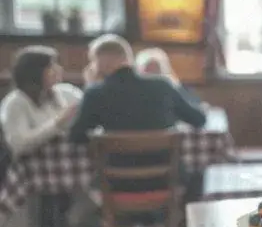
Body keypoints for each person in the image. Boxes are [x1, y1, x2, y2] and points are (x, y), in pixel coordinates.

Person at [70, 35, 206, 191]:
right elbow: (199, 119)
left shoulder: (95, 93)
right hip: (164, 181)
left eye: (93, 62)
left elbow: (76, 136)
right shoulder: (162, 85)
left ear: (101, 62)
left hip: (117, 183)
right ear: (128, 58)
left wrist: (92, 86)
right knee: (197, 177)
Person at [0, 46, 83, 227]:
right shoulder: (15, 103)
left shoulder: (66, 93)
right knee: (51, 198)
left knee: (77, 189)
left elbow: (89, 111)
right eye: (51, 66)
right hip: (25, 170)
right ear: (35, 72)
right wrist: (57, 123)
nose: (58, 70)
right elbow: (19, 144)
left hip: (63, 166)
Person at [135, 47, 202, 107]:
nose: (154, 77)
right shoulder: (135, 94)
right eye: (149, 71)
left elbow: (195, 109)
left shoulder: (178, 90)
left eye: (156, 71)